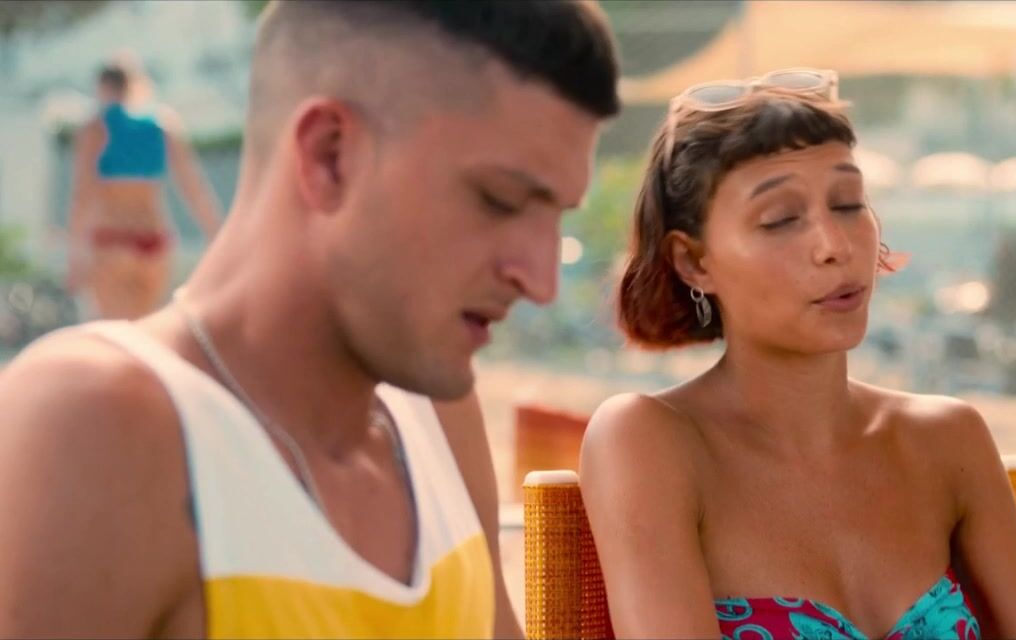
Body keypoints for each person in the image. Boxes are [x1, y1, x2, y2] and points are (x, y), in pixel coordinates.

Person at [0, 1, 619, 638]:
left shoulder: (435, 405)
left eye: (556, 217)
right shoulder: (105, 423)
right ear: (330, 155)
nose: (540, 281)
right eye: (499, 201)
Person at [579, 69, 1016, 640]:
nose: (835, 246)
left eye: (848, 204)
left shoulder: (948, 440)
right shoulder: (650, 440)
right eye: (781, 219)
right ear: (694, 261)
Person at [66, 54, 223, 320]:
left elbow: (82, 194)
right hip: (155, 243)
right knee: (145, 331)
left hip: (112, 241)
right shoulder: (162, 124)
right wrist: (216, 237)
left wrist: (76, 254)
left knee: (115, 333)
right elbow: (194, 188)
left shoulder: (96, 128)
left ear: (102, 86)